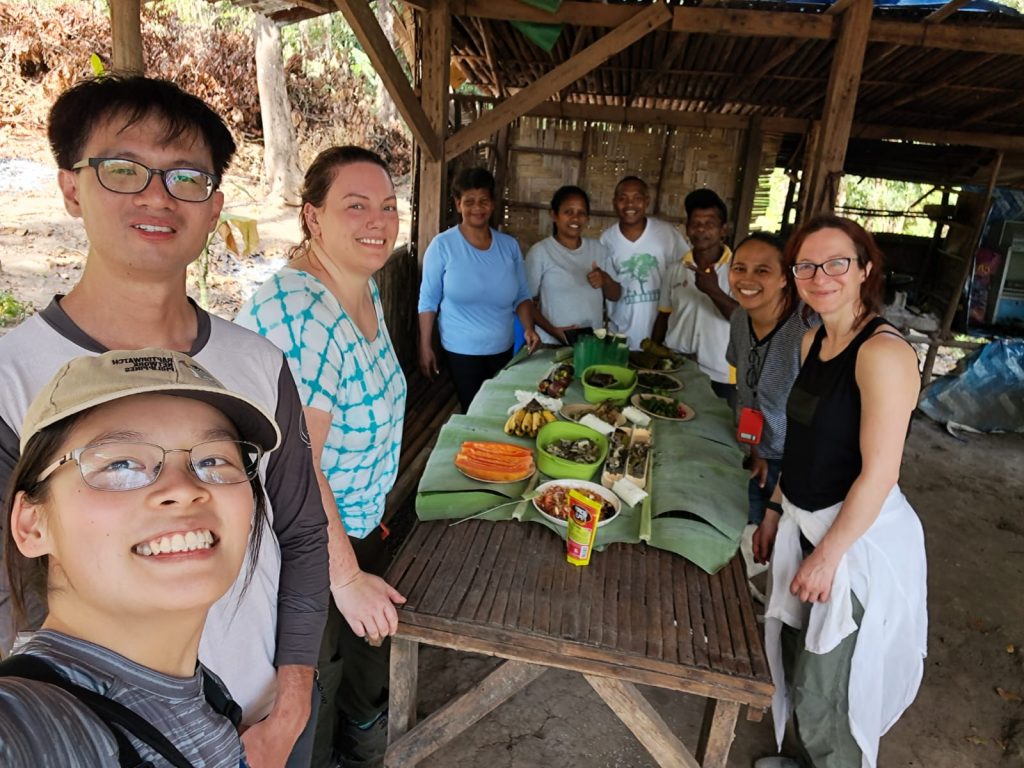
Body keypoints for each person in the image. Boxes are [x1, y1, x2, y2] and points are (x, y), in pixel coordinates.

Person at [0, 75, 329, 767]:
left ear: (213, 209)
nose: (157, 195)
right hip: (102, 731)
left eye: (186, 177)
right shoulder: (9, 377)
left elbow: (301, 532)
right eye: (123, 169)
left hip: (260, 713)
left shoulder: (258, 364)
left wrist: (294, 697)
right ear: (70, 188)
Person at [0, 348, 280, 767]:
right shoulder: (32, 724)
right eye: (121, 464)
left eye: (213, 460)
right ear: (32, 524)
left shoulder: (205, 693)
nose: (183, 489)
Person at [236, 146, 407, 768]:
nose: (378, 220)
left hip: (352, 528)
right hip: (300, 554)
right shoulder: (303, 315)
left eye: (387, 206)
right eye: (355, 205)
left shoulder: (359, 287)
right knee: (309, 698)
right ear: (312, 216)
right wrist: (346, 579)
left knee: (360, 676)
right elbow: (298, 466)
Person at [752, 216, 927, 768]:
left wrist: (829, 556)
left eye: (836, 263)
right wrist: (775, 510)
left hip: (856, 541)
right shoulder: (814, 340)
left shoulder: (883, 354)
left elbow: (880, 473)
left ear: (865, 270)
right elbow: (802, 442)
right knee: (796, 653)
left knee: (829, 686)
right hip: (804, 519)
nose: (820, 276)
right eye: (806, 265)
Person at [418, 167, 540, 412]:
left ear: (492, 204)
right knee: (474, 410)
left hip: (503, 346)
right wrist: (425, 346)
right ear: (458, 204)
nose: (477, 208)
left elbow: (522, 296)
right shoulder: (443, 246)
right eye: (469, 201)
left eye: (483, 201)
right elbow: (428, 300)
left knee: (500, 409)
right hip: (461, 349)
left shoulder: (509, 247)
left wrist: (529, 328)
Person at [725, 233, 815, 525]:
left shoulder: (807, 331)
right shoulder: (740, 318)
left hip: (799, 465)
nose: (747, 279)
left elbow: (817, 422)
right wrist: (755, 448)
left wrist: (783, 482)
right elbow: (747, 390)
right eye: (739, 268)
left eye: (762, 270)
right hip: (756, 450)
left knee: (784, 536)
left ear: (785, 278)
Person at [653, 188, 738, 402]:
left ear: (723, 229)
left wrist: (713, 290)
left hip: (720, 373)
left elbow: (745, 320)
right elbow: (664, 315)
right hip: (676, 366)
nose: (701, 229)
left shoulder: (738, 270)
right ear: (687, 229)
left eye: (709, 224)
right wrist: (653, 353)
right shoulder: (675, 269)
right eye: (695, 223)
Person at [599, 175, 688, 350]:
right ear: (614, 202)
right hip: (622, 335)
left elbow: (685, 272)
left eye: (637, 198)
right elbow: (610, 291)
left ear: (647, 201)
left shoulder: (667, 234)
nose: (630, 204)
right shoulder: (606, 240)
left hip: (662, 336)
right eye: (623, 198)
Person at [525, 185, 621, 344]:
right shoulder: (541, 252)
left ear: (587, 218)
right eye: (568, 212)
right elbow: (524, 302)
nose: (575, 218)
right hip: (553, 344)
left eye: (581, 213)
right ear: (554, 215)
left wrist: (605, 279)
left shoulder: (599, 250)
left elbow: (616, 295)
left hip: (591, 343)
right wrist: (554, 331)